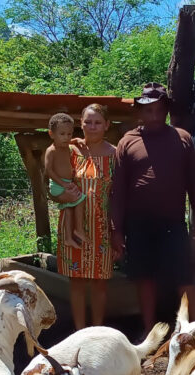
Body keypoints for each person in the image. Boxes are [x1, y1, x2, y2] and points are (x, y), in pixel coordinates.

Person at [111, 82, 195, 333]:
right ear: (139, 113)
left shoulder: (181, 138)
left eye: (158, 110)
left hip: (172, 223)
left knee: (184, 279)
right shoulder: (127, 143)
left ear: (166, 110)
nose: (153, 115)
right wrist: (117, 230)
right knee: (144, 281)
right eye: (148, 110)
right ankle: (149, 332)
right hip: (138, 224)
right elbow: (118, 191)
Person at [52, 104, 116, 329]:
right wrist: (60, 196)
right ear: (80, 123)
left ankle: (97, 330)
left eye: (98, 122)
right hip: (72, 226)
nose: (92, 126)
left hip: (103, 226)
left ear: (107, 125)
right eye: (88, 121)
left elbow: (120, 194)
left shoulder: (115, 154)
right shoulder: (69, 151)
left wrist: (119, 230)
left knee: (100, 282)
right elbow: (52, 185)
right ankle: (80, 331)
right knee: (76, 281)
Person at [45, 113, 87, 249]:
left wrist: (76, 140)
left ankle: (69, 237)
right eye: (62, 134)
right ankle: (79, 229)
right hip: (58, 185)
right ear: (51, 134)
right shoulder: (51, 150)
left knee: (69, 208)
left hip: (65, 183)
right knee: (80, 199)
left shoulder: (66, 146)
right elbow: (48, 171)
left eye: (69, 134)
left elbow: (70, 141)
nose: (66, 137)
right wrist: (62, 184)